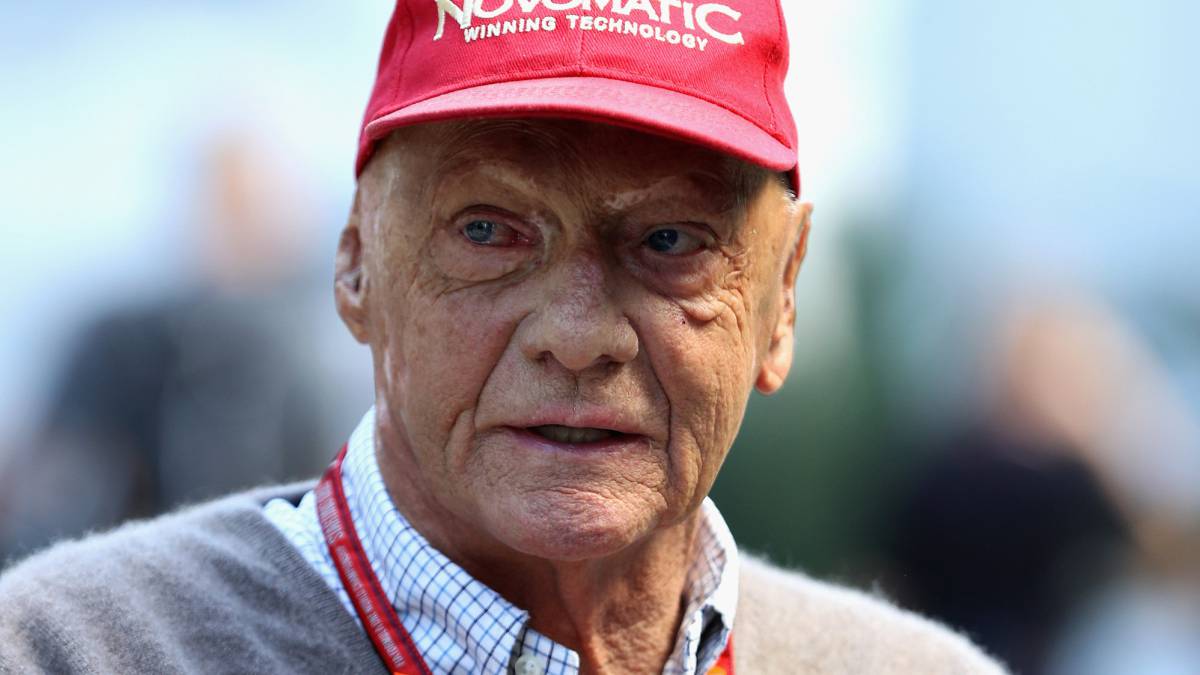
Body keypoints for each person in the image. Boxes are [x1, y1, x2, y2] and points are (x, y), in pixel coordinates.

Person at [0, 1, 1006, 673]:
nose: (578, 336)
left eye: (669, 240)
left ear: (782, 298)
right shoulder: (63, 654)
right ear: (356, 263)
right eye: (487, 231)